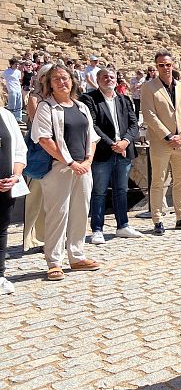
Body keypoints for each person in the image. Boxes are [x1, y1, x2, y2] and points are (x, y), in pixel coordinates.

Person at [31, 64, 102, 281]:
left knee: (81, 212)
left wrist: (88, 160)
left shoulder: (81, 107)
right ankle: (54, 262)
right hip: (59, 169)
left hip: (83, 167)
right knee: (58, 214)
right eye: (56, 79)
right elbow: (44, 139)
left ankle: (77, 256)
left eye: (65, 78)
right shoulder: (46, 107)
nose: (62, 82)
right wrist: (70, 163)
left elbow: (92, 138)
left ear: (72, 81)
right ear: (50, 84)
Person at [79, 68, 143, 244]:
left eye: (112, 77)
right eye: (105, 77)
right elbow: (92, 125)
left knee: (122, 190)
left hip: (124, 151)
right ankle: (97, 229)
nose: (109, 79)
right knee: (99, 192)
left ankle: (123, 225)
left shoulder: (124, 99)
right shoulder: (89, 99)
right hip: (103, 151)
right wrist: (113, 145)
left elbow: (133, 124)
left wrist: (125, 142)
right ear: (98, 79)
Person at [140, 50, 181, 235]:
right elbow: (149, 115)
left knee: (180, 181)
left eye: (168, 64)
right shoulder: (148, 88)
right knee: (158, 181)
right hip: (161, 142)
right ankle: (157, 219)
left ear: (173, 65)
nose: (165, 68)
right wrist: (168, 136)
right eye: (161, 65)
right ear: (156, 67)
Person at [22, 64, 52, 253]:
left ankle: (49, 236)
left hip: (55, 149)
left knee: (52, 197)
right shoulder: (35, 98)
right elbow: (37, 125)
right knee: (35, 195)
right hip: (39, 150)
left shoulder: (56, 97)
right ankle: (32, 239)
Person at [0, 88, 28, 294]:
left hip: (6, 186)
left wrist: (16, 176)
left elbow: (20, 150)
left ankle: (0, 275)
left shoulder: (6, 115)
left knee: (1, 230)